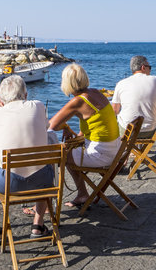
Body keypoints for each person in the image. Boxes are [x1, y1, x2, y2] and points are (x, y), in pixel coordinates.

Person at [0, 75, 53, 244]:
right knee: (43, 165)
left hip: (9, 184)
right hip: (43, 182)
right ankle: (38, 226)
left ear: (1, 98)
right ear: (25, 94)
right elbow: (47, 127)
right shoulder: (38, 106)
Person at [49, 64, 121, 208]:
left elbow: (52, 125)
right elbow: (95, 124)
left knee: (62, 156)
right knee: (69, 152)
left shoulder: (78, 101)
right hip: (116, 150)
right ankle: (82, 193)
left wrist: (65, 126)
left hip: (102, 154)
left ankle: (76, 195)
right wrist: (69, 128)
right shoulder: (96, 93)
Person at [112, 55, 156, 138]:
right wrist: (154, 98)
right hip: (149, 131)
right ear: (143, 67)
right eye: (149, 67)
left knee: (116, 119)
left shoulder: (121, 83)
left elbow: (115, 110)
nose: (150, 70)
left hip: (127, 131)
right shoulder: (155, 80)